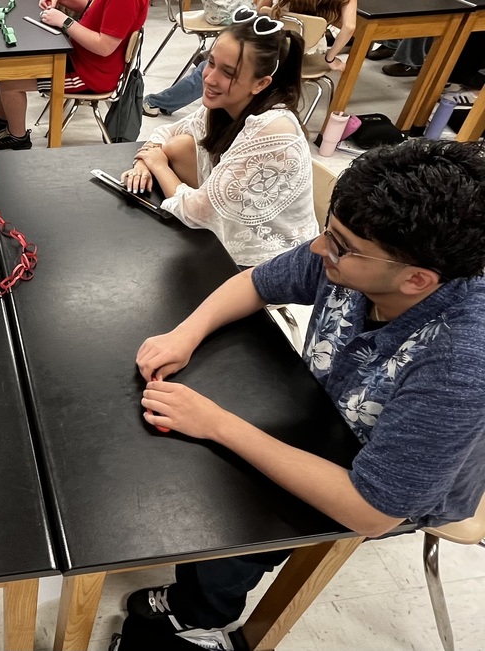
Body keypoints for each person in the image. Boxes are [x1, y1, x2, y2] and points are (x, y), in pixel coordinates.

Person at [120, 139, 485, 650]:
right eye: (328, 232)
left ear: (417, 279)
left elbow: (373, 512)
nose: (318, 250)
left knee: (236, 517)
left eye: (340, 245)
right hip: (329, 413)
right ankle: (199, 594)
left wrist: (219, 423)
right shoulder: (360, 255)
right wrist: (186, 333)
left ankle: (202, 616)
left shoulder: (461, 359)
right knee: (205, 465)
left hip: (395, 489)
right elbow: (257, 281)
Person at [121, 8, 318, 268]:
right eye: (210, 63)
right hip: (226, 224)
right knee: (178, 145)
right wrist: (142, 163)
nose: (209, 78)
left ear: (260, 84)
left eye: (228, 73)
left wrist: (156, 164)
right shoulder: (227, 104)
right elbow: (166, 133)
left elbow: (197, 212)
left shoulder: (273, 130)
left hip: (268, 262)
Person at [0, 0, 147, 150]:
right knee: (11, 66)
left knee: (11, 82)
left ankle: (17, 137)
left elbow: (104, 46)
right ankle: (1, 118)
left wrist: (65, 22)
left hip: (89, 75)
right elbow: (94, 10)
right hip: (78, 56)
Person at [143, 0, 355, 117]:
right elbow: (349, 28)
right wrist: (329, 58)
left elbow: (259, 10)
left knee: (212, 69)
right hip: (303, 54)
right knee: (217, 68)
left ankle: (158, 101)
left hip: (272, 45)